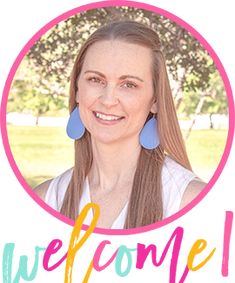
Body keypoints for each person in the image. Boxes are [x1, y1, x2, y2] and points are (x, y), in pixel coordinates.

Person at [34, 20, 205, 229]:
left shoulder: (190, 201)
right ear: (77, 89)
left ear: (155, 101)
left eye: (128, 85)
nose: (108, 100)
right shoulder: (44, 201)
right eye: (96, 80)